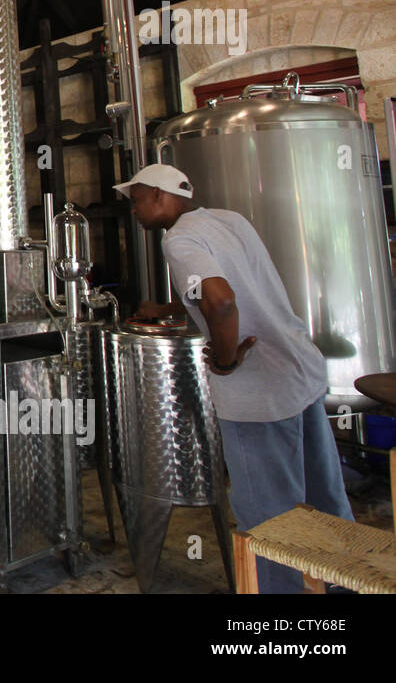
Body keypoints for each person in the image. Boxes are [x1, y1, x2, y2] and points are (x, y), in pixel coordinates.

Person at [114, 163, 353, 593]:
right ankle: (347, 586)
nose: (134, 210)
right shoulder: (229, 219)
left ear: (159, 195)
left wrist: (225, 362)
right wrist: (169, 311)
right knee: (326, 505)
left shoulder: (179, 239)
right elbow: (237, 289)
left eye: (136, 199)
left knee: (269, 522)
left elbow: (222, 301)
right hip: (300, 371)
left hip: (258, 395)